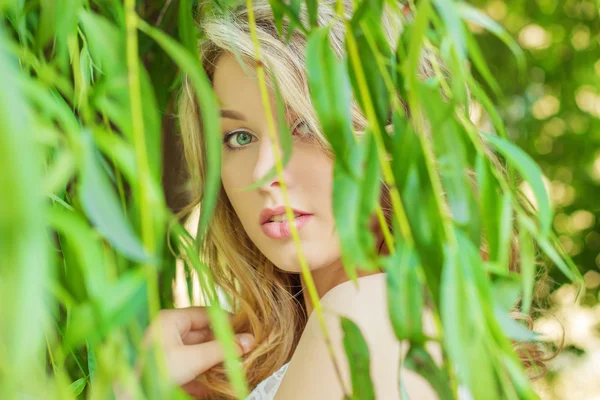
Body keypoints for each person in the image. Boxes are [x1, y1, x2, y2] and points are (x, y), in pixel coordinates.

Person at [143, 0, 547, 399]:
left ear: (395, 137)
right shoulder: (406, 325)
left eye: (305, 125)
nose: (263, 172)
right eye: (240, 137)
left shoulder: (367, 313)